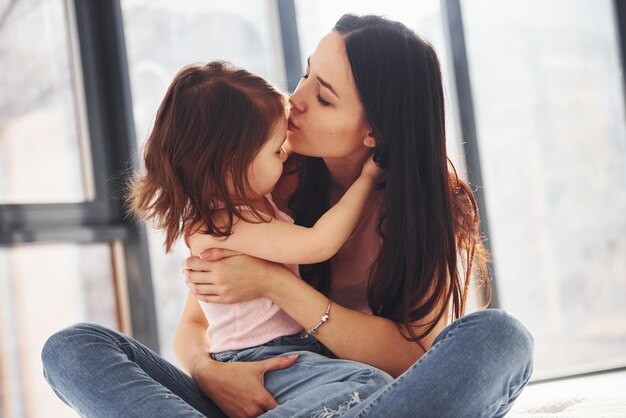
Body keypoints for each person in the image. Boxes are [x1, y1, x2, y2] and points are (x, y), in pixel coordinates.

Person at [42, 14, 533, 418]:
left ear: (374, 132)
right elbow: (197, 324)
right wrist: (212, 374)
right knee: (74, 347)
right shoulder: (267, 179)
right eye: (304, 74)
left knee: (500, 338)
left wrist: (277, 285)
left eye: (323, 96)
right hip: (254, 390)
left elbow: (411, 359)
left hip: (360, 398)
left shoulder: (434, 210)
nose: (294, 100)